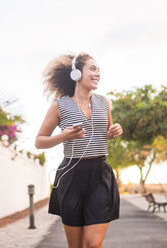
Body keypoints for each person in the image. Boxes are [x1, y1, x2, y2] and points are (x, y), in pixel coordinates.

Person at [35, 53, 123, 248]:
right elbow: (39, 142)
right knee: (76, 246)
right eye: (92, 69)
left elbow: (106, 132)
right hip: (71, 175)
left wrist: (114, 131)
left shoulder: (104, 102)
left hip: (100, 174)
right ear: (76, 74)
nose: (97, 73)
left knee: (93, 244)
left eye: (99, 70)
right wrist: (63, 137)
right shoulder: (59, 106)